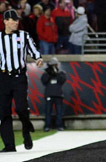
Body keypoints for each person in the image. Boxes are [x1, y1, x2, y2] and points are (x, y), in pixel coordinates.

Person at [0, 9, 44, 152]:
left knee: (21, 108)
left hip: (19, 77)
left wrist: (38, 58)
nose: (16, 22)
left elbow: (34, 50)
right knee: (3, 112)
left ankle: (26, 130)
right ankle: (9, 145)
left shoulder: (24, 36)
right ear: (5, 21)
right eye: (12, 20)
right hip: (3, 77)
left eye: (17, 20)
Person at [41, 57, 67, 131]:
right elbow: (44, 81)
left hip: (58, 95)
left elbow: (62, 81)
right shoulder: (46, 73)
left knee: (59, 112)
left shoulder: (61, 73)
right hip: (49, 94)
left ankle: (59, 126)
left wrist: (57, 72)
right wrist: (49, 72)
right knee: (48, 112)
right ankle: (47, 126)